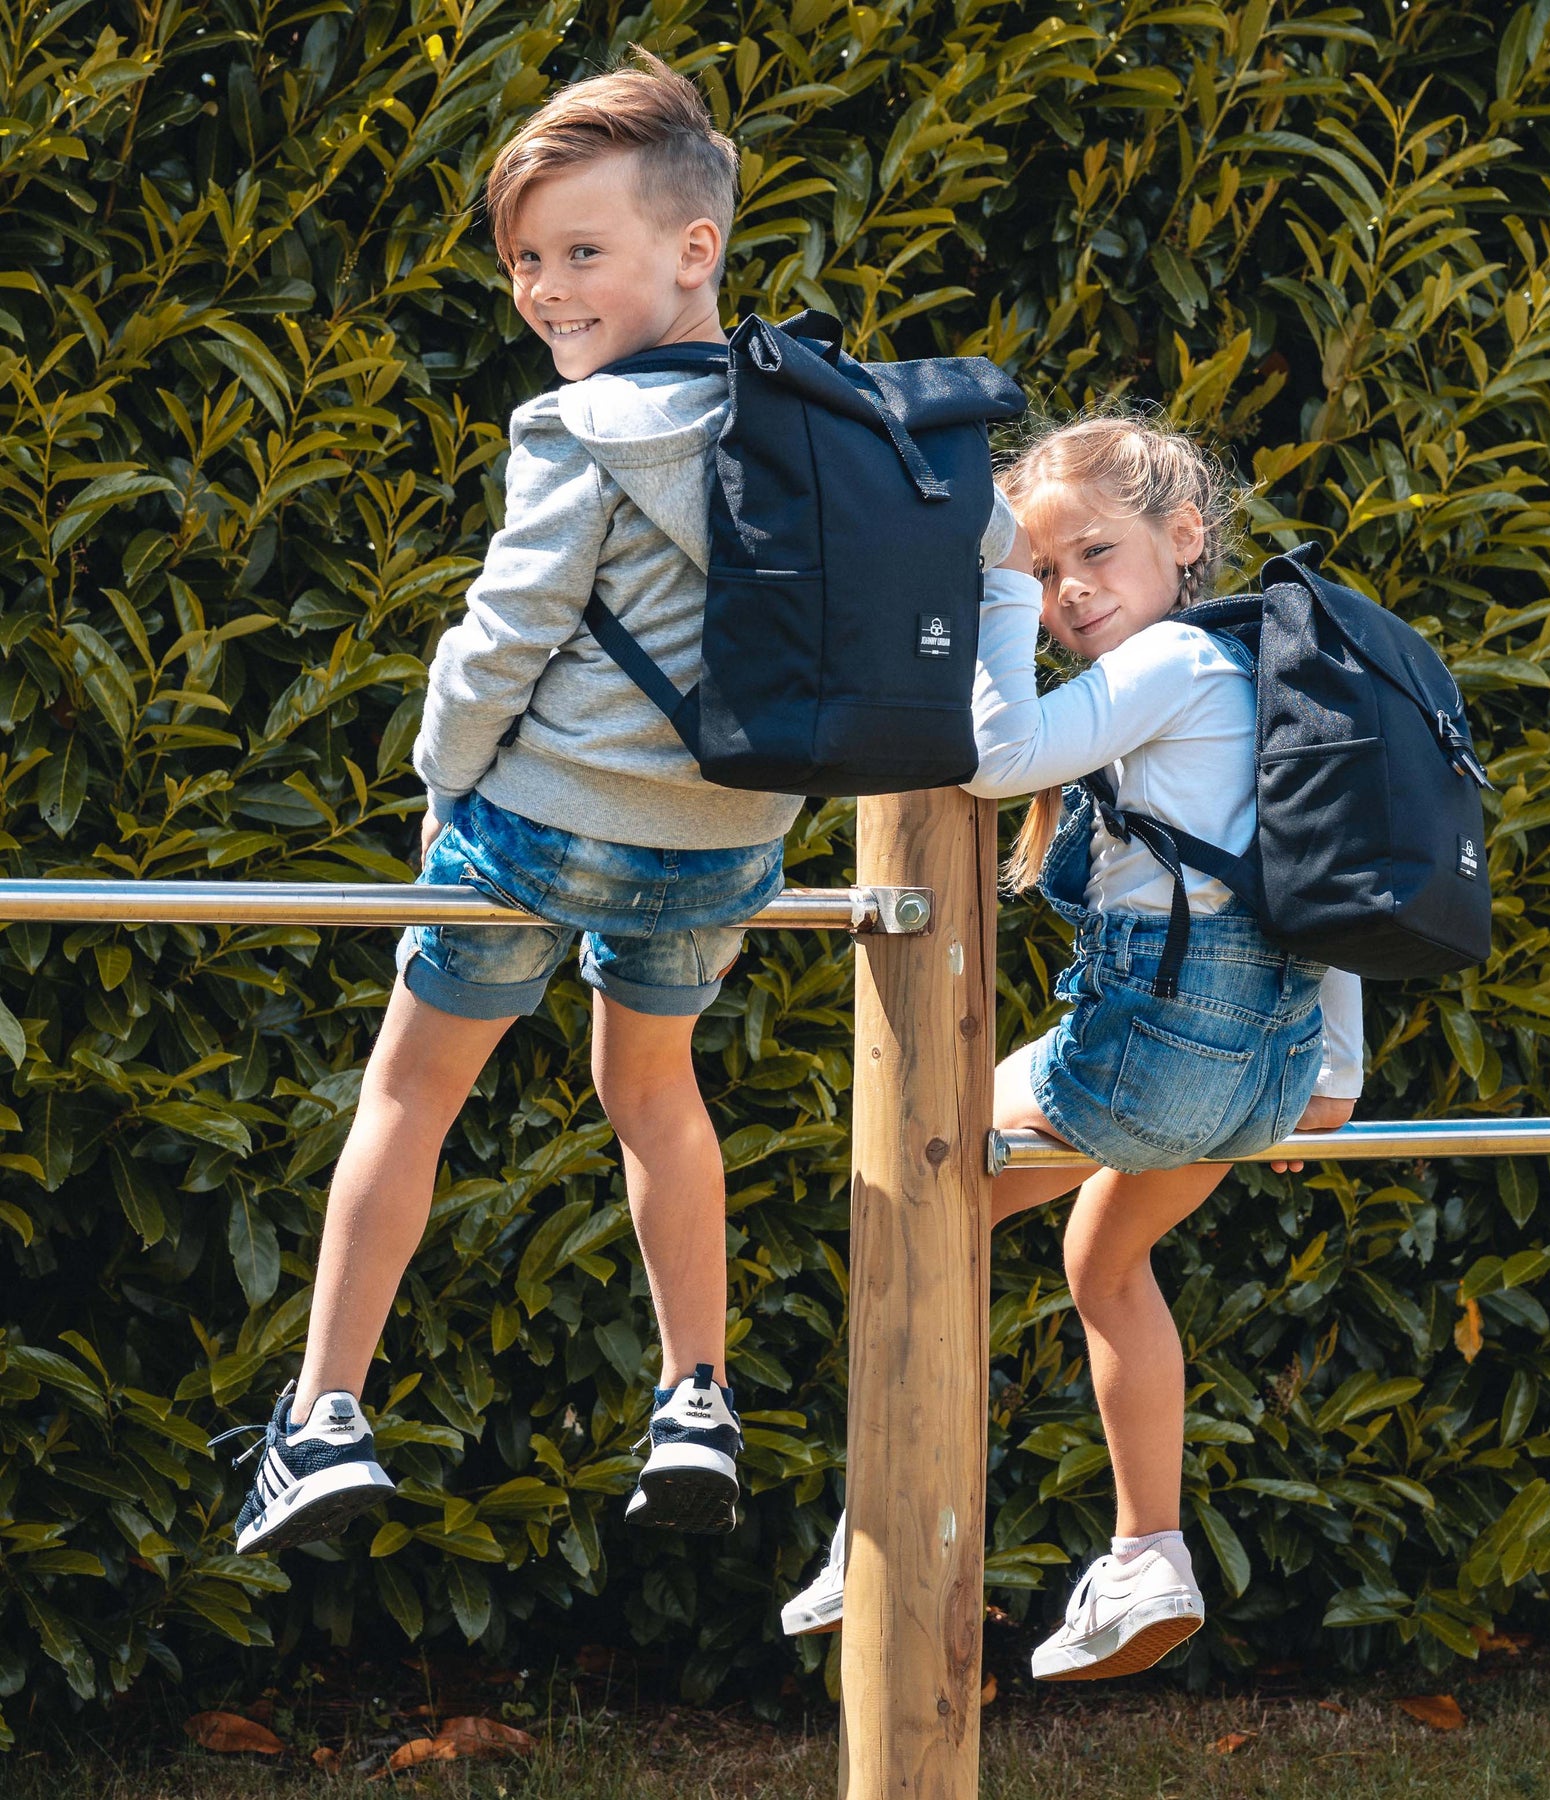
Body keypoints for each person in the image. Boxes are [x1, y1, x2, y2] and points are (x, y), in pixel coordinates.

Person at [213, 51, 1022, 1554]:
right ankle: (694, 1391)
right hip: (724, 851)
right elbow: (981, 543)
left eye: (584, 253)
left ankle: (321, 1419)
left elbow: (501, 638)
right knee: (654, 1094)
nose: (547, 288)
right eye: (527, 258)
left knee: (411, 1094)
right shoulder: (832, 421)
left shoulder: (573, 432)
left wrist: (440, 786)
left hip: (533, 830)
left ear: (693, 249)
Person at [781, 413, 1362, 1681]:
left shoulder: (1171, 672)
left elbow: (998, 758)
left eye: (1092, 554)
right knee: (1101, 1259)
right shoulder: (1262, 674)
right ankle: (1149, 1552)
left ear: (1185, 537)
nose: (1069, 593)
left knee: (909, 1192)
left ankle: (878, 1529)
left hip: (1154, 1058)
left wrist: (985, 583)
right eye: (1042, 574)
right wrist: (1333, 1078)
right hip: (1261, 1074)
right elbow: (1326, 883)